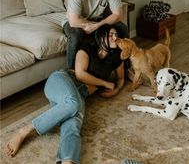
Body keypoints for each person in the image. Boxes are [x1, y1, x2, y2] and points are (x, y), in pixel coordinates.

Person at [5, 24, 125, 164]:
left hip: (80, 94)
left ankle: (68, 161)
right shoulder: (87, 48)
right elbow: (80, 75)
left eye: (116, 34)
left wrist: (116, 90)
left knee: (73, 126)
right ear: (101, 36)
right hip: (61, 80)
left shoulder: (116, 57)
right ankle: (25, 130)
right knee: (72, 103)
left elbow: (120, 79)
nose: (115, 37)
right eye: (111, 34)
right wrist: (104, 83)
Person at [63, 0, 129, 68]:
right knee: (76, 35)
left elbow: (118, 15)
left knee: (121, 28)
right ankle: (71, 73)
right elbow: (74, 21)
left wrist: (97, 25)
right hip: (74, 22)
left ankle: (126, 69)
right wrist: (92, 25)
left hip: (97, 21)